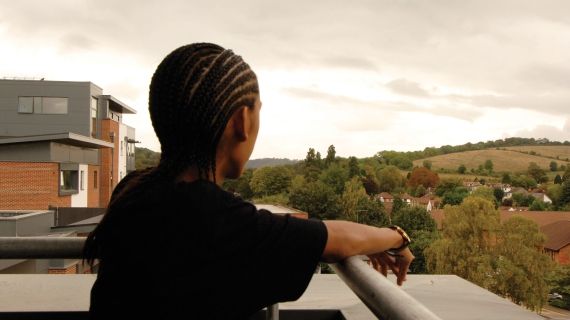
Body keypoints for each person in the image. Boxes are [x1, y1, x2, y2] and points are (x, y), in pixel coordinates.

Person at [83, 42, 414, 319]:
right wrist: (396, 236)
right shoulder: (213, 219)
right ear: (242, 121)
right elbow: (337, 239)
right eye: (258, 111)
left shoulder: (134, 189)